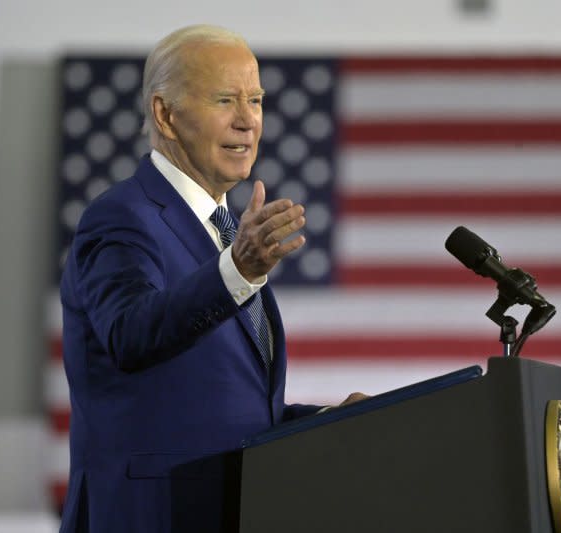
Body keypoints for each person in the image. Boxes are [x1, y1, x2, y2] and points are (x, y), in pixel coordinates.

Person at [58, 25, 366, 533]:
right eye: (225, 99)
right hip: (145, 516)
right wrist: (238, 271)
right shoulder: (121, 218)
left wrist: (328, 423)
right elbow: (131, 334)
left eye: (256, 100)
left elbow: (228, 412)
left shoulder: (222, 233)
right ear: (166, 114)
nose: (248, 121)